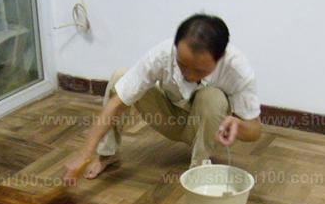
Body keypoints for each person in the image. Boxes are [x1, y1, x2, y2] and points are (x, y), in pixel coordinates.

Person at [64, 13, 261, 182]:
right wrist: (84, 154)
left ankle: (198, 169)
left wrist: (238, 125)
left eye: (199, 70)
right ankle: (107, 155)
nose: (189, 75)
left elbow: (255, 130)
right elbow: (117, 104)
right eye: (183, 65)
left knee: (213, 96)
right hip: (170, 120)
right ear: (176, 46)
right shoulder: (162, 55)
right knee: (120, 77)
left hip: (209, 129)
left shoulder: (237, 70)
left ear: (221, 57)